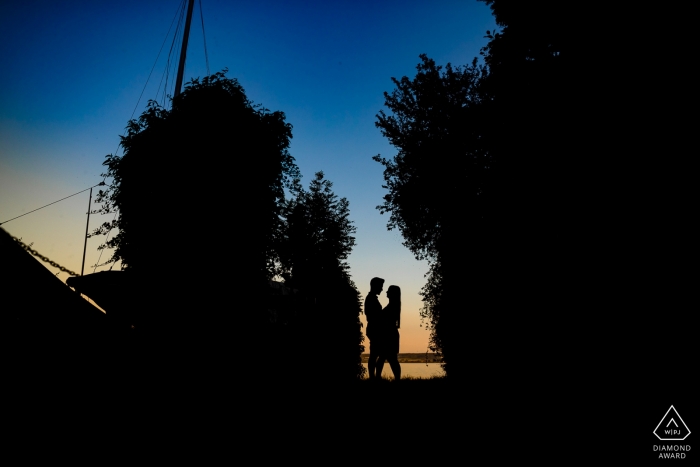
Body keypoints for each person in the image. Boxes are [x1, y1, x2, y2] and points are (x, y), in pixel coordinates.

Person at [376, 285, 401, 380]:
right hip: (390, 334)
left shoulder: (391, 307)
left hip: (388, 335)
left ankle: (378, 378)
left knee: (387, 358)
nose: (386, 292)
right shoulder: (394, 306)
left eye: (388, 291)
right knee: (389, 359)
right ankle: (396, 379)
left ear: (392, 293)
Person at [364, 277, 384, 379]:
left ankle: (375, 377)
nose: (382, 289)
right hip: (374, 329)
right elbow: (373, 316)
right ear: (375, 286)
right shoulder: (371, 299)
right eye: (381, 286)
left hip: (373, 329)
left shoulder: (371, 298)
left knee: (376, 354)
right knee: (375, 355)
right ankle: (374, 377)